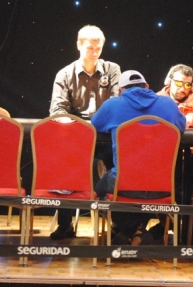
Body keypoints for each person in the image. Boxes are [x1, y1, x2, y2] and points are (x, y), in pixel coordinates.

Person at [91, 70, 186, 245]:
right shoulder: (168, 104)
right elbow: (181, 127)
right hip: (163, 186)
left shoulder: (112, 105)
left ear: (121, 90)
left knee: (99, 185)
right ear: (147, 87)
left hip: (123, 185)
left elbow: (95, 125)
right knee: (138, 186)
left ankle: (130, 229)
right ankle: (138, 230)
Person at [48, 24, 121, 240]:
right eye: (90, 48)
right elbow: (57, 111)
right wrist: (77, 128)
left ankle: (119, 225)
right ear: (79, 45)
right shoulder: (64, 74)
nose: (94, 53)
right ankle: (65, 224)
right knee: (64, 167)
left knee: (120, 166)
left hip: (105, 136)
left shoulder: (112, 70)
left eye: (98, 48)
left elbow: (116, 104)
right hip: (76, 137)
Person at [157, 64, 193, 128]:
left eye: (187, 85)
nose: (182, 89)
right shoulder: (156, 100)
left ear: (192, 87)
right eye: (178, 83)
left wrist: (192, 118)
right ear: (169, 82)